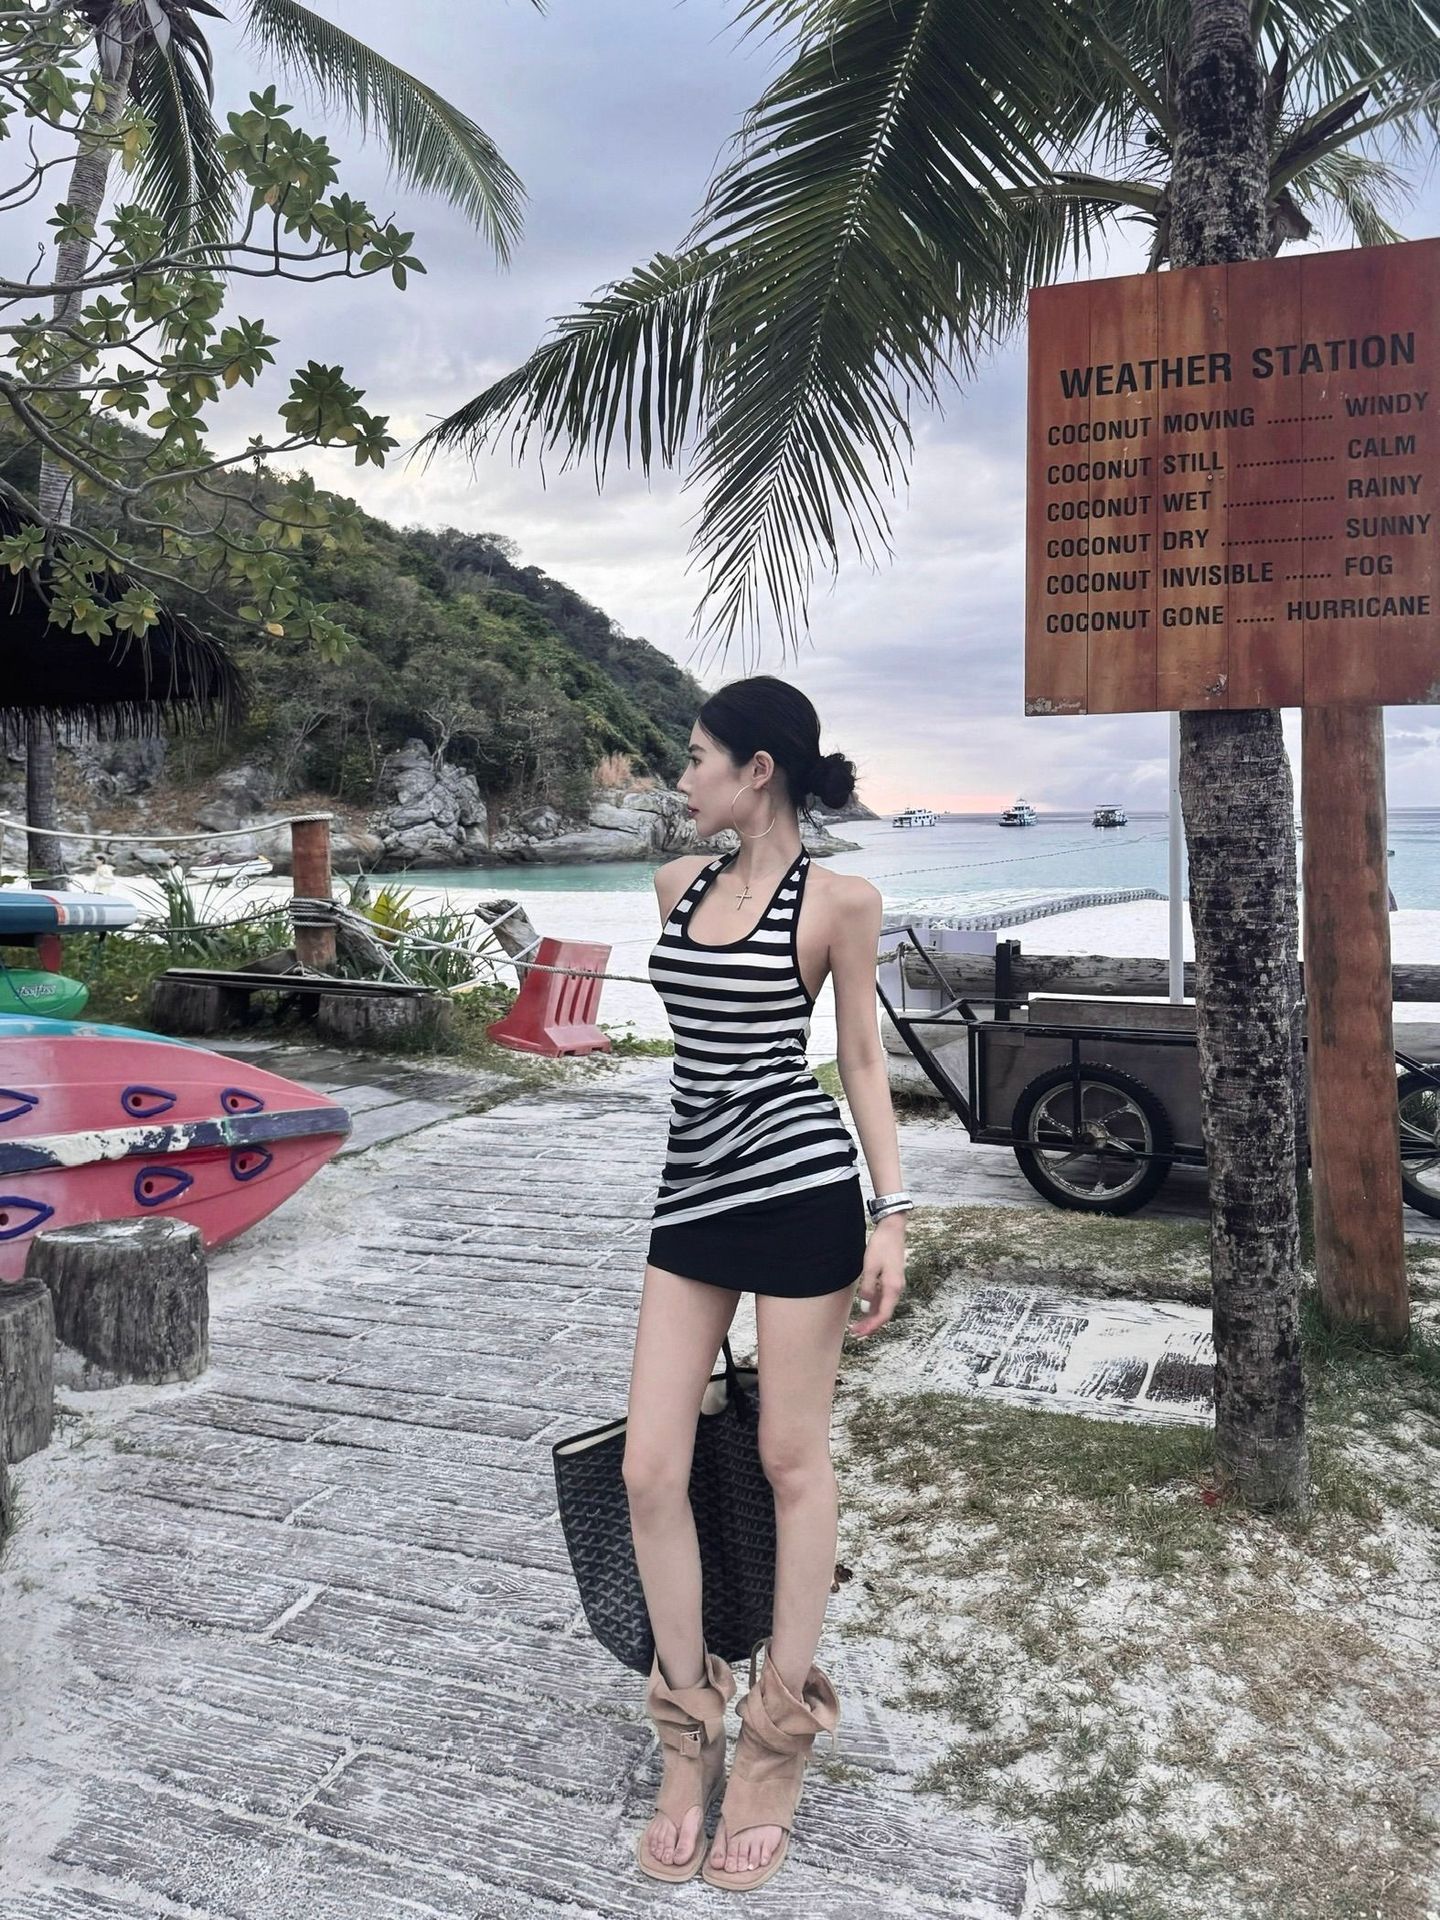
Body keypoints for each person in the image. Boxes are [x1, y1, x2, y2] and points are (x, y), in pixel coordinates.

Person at [625, 674, 909, 1891]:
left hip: (801, 1196)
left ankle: (776, 1738)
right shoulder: (674, 886)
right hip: (692, 1198)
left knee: (793, 1461)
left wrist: (892, 1214)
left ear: (758, 771)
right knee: (649, 1468)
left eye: (696, 757)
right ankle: (687, 1725)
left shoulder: (841, 900)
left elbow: (860, 1063)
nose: (679, 777)